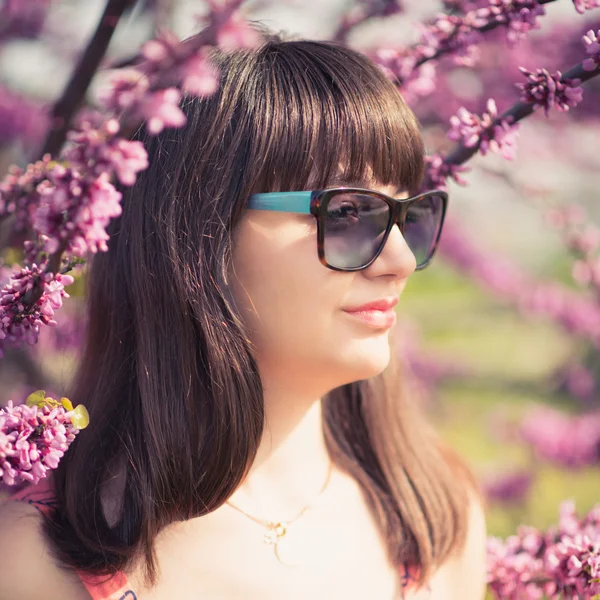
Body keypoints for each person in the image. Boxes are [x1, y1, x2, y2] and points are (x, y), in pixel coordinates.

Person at [0, 26, 487, 600]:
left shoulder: (434, 521)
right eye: (348, 212)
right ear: (196, 234)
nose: (400, 260)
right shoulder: (39, 559)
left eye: (406, 214)